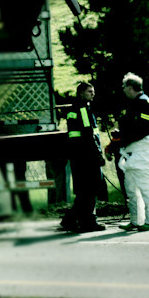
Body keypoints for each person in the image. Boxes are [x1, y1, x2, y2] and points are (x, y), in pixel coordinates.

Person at [113, 73, 149, 232]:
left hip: (142, 151)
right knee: (131, 188)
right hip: (133, 152)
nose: (123, 90)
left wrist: (123, 138)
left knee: (147, 187)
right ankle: (136, 220)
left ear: (130, 87)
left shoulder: (143, 103)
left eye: (124, 87)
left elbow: (143, 128)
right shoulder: (135, 103)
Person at [60, 82, 106, 232]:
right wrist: (98, 154)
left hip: (78, 156)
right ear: (81, 93)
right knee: (91, 189)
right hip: (87, 156)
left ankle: (70, 220)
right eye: (89, 92)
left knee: (83, 191)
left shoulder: (74, 109)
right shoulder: (84, 110)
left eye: (93, 91)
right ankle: (88, 222)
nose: (93, 94)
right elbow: (89, 135)